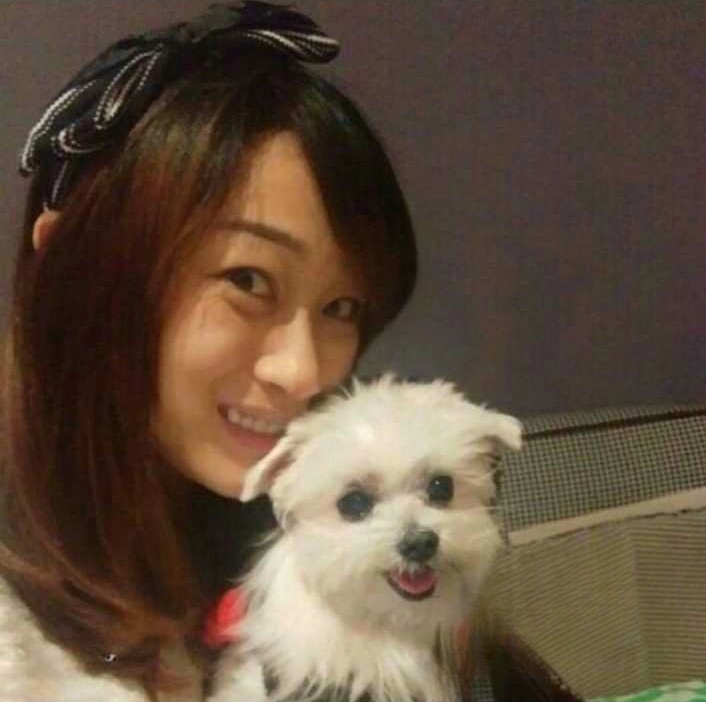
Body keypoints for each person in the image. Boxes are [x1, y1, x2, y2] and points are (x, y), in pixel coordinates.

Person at [0, 3, 580, 701]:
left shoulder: (294, 520)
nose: (305, 372)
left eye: (342, 307)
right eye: (247, 280)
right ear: (80, 271)